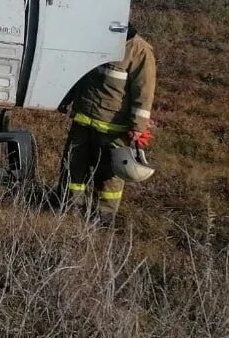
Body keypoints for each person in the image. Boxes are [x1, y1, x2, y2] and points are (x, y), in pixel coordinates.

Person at [58, 24, 157, 225]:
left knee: (109, 176)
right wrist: (65, 97)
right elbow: (81, 75)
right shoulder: (99, 41)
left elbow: (144, 93)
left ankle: (104, 215)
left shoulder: (139, 50)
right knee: (73, 165)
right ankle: (70, 207)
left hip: (114, 129)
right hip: (84, 120)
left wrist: (138, 126)